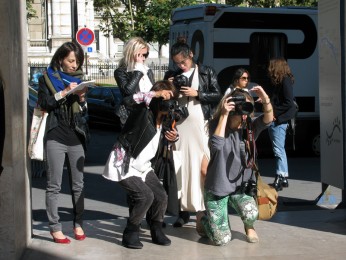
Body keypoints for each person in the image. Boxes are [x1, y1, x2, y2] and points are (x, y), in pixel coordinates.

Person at [103, 80, 178, 249]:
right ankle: (131, 232)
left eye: (170, 99)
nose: (168, 103)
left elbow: (170, 134)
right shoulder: (142, 111)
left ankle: (156, 229)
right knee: (145, 196)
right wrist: (155, 94)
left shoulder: (165, 118)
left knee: (161, 195)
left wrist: (174, 137)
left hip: (143, 166)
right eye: (165, 98)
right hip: (125, 163)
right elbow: (128, 100)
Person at [197, 87, 273, 246]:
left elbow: (268, 119)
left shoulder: (250, 127)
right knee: (222, 240)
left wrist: (265, 99)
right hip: (217, 188)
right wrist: (224, 114)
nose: (244, 110)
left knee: (251, 212)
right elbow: (216, 145)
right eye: (241, 106)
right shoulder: (216, 124)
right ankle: (204, 220)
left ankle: (249, 225)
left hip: (240, 187)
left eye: (247, 105)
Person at [164, 37, 222, 228]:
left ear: (191, 55)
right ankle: (182, 212)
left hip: (200, 126)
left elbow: (217, 95)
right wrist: (170, 86)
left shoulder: (206, 72)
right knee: (181, 168)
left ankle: (202, 208)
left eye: (184, 62)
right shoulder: (172, 74)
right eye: (177, 63)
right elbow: (165, 101)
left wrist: (198, 93)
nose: (181, 66)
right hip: (180, 126)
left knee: (201, 168)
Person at [38, 41, 90, 244]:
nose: (74, 65)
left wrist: (83, 99)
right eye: (70, 60)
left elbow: (85, 115)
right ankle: (55, 227)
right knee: (54, 185)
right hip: (55, 134)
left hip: (76, 135)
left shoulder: (80, 80)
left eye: (77, 61)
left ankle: (78, 223)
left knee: (79, 185)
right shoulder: (47, 78)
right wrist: (63, 93)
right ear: (60, 59)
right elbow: (43, 103)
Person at [267, 57, 296, 191]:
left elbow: (288, 103)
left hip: (279, 120)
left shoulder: (284, 81)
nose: (269, 68)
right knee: (279, 149)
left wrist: (274, 113)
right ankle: (283, 176)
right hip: (279, 120)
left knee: (278, 150)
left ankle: (281, 175)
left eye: (272, 66)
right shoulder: (283, 80)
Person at [114, 37, 154, 126]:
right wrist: (138, 72)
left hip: (148, 114)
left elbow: (153, 90)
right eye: (140, 55)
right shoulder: (121, 71)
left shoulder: (148, 71)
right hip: (130, 115)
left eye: (145, 55)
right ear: (132, 54)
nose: (143, 58)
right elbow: (127, 91)